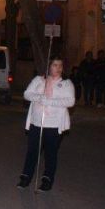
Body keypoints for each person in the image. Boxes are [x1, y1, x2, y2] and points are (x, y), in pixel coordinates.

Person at [17, 55, 75, 192]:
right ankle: (25, 178)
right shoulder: (39, 80)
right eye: (55, 65)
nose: (58, 68)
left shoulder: (66, 83)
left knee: (50, 154)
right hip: (37, 122)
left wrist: (49, 101)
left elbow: (70, 101)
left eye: (60, 65)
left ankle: (47, 180)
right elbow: (27, 94)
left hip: (54, 124)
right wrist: (39, 98)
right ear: (49, 66)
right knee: (32, 152)